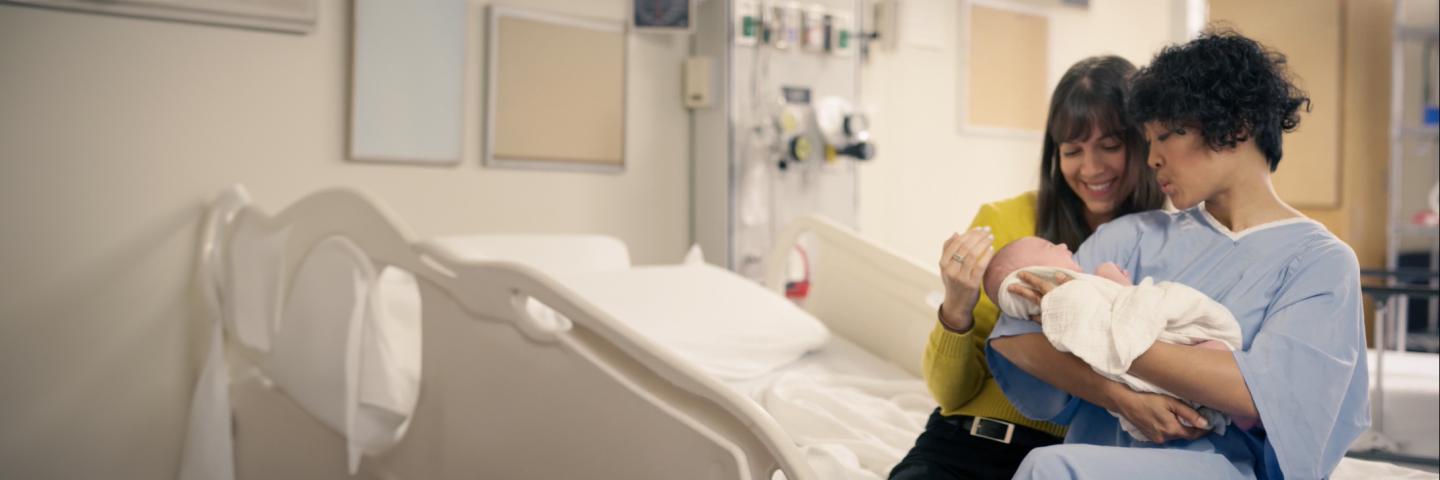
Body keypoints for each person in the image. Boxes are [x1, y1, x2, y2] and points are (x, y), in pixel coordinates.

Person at [988, 29, 1368, 479]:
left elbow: (1263, 396)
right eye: (1148, 140)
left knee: (1048, 469)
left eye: (1169, 134)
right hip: (1096, 458)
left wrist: (1101, 332)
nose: (1152, 158)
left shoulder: (1319, 263)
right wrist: (1121, 396)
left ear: (1238, 127)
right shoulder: (1128, 237)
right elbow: (1016, 337)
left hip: (1217, 469)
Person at [888, 55, 1164, 479]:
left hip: (1068, 463)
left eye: (1110, 146)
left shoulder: (1166, 242)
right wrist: (956, 310)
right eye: (1072, 151)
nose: (1090, 168)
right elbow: (950, 393)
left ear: (1143, 141)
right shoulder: (1006, 221)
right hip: (965, 443)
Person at [983, 235, 1253, 441]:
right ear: (1038, 274)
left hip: (1154, 367)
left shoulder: (1073, 296)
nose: (1063, 244)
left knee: (1213, 373)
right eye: (1049, 247)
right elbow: (1118, 308)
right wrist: (1111, 277)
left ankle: (1232, 411)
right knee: (1214, 356)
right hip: (1149, 357)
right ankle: (1237, 411)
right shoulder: (1072, 294)